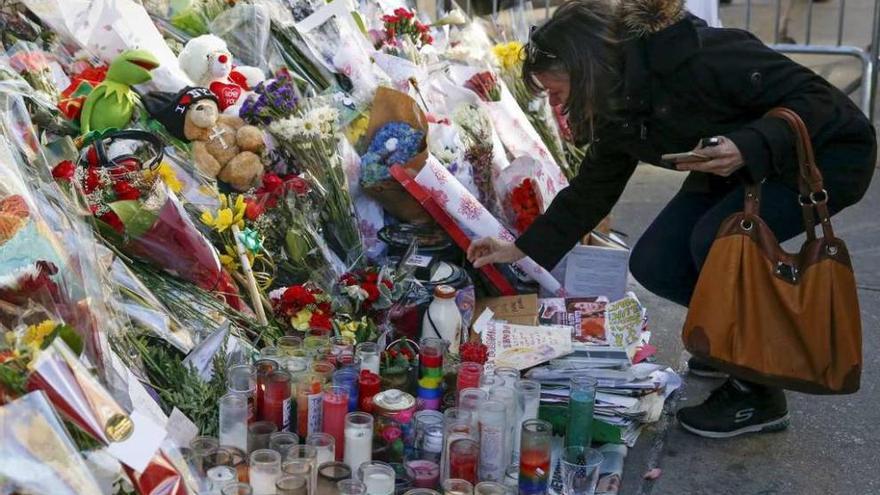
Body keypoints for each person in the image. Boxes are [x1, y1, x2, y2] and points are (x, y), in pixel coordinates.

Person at [467, 0, 876, 438]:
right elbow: (592, 190)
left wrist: (749, 143)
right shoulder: (617, 98)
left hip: (821, 157)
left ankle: (758, 391)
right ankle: (729, 337)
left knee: (715, 246)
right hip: (737, 167)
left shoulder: (700, 56)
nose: (554, 101)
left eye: (556, 89)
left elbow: (820, 101)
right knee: (656, 261)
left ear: (587, 66)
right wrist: (520, 248)